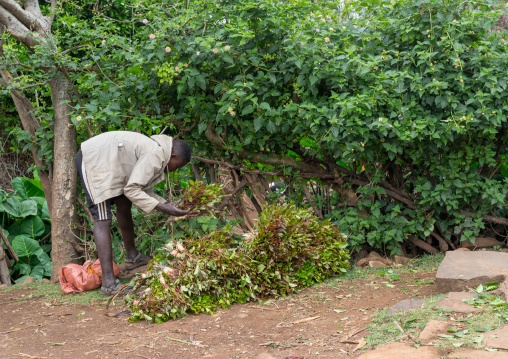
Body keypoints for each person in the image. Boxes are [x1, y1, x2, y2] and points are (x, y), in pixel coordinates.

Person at [75, 131, 191, 296]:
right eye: (177, 166)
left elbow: (141, 189)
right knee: (102, 219)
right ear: (173, 155)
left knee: (124, 204)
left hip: (111, 164)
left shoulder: (159, 152)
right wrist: (163, 208)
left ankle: (132, 256)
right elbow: (133, 190)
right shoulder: (156, 154)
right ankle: (108, 283)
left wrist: (167, 204)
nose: (173, 171)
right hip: (93, 161)